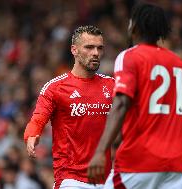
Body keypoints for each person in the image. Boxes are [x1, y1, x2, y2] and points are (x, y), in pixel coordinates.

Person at [87, 3, 182, 189]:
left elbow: (121, 103)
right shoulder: (179, 63)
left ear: (134, 27)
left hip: (137, 163)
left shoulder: (129, 57)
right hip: (175, 169)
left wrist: (100, 151)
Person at [24, 25, 114, 189]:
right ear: (74, 50)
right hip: (71, 180)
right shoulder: (55, 87)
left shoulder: (112, 85)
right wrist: (32, 135)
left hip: (107, 180)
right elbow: (37, 119)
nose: (95, 53)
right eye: (89, 47)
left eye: (99, 48)